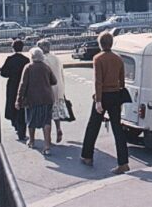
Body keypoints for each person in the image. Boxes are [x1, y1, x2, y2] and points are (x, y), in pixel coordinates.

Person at [80, 31, 130, 175]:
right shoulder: (118, 58)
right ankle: (123, 162)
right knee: (117, 129)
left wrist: (98, 101)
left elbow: (98, 81)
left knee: (93, 126)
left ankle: (87, 156)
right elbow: (122, 81)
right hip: (115, 95)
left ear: (100, 44)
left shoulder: (98, 58)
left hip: (103, 95)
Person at [16, 47, 57, 155]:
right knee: (46, 121)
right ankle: (47, 146)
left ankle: (32, 141)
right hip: (47, 98)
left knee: (31, 120)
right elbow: (54, 81)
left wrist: (18, 99)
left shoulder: (28, 67)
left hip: (32, 99)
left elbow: (23, 85)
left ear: (32, 57)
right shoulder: (46, 67)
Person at [38, 38, 68, 143]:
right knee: (56, 110)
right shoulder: (56, 58)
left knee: (46, 113)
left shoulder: (43, 60)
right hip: (59, 86)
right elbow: (61, 73)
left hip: (48, 87)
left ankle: (48, 136)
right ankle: (58, 128)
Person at [0, 40, 30, 141]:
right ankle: (22, 130)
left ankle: (15, 123)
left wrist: (11, 73)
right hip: (23, 84)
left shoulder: (10, 59)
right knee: (22, 106)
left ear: (13, 48)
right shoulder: (26, 60)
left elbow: (3, 73)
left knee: (12, 103)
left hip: (12, 84)